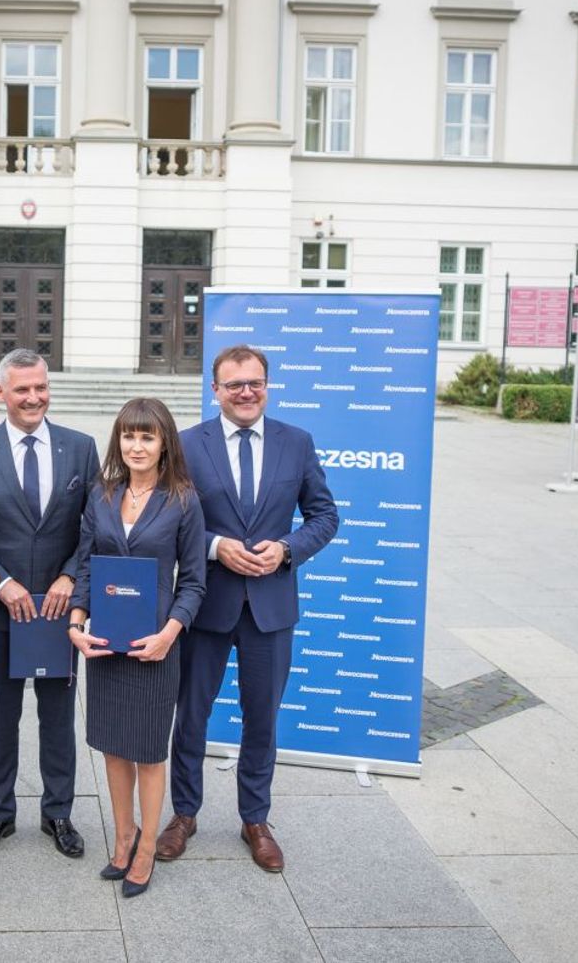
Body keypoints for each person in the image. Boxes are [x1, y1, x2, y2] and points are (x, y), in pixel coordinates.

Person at [159, 343, 339, 873]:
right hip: (204, 604)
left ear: (267, 386)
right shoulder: (186, 445)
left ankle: (255, 819)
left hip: (270, 606)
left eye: (254, 382)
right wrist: (215, 546)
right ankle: (184, 814)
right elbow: (166, 518)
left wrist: (287, 548)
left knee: (262, 718)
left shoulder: (296, 442)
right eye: (234, 384)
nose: (245, 392)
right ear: (215, 390)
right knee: (191, 715)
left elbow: (325, 516)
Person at [0, 348, 100, 860]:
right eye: (22, 389)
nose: (33, 397)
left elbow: (94, 526)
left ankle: (58, 812)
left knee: (59, 718)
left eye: (40, 387)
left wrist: (69, 576)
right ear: (1, 392)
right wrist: (0, 581)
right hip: (1, 613)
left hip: (59, 615)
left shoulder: (80, 448)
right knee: (0, 717)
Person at [68, 397, 205, 897]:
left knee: (147, 752)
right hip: (107, 643)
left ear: (164, 443)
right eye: (129, 435)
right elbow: (86, 564)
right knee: (112, 747)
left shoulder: (183, 500)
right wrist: (76, 621)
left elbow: (194, 581)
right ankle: (123, 834)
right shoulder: (102, 494)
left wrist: (169, 634)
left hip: (155, 646)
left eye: (147, 436)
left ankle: (147, 845)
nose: (137, 445)